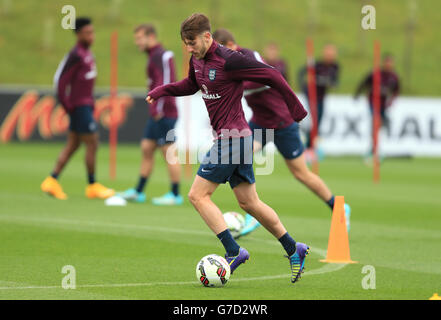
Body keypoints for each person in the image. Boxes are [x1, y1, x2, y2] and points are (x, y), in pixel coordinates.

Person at [147, 13, 310, 284]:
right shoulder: (196, 60)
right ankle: (295, 249)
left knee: (198, 196)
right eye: (185, 43)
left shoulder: (230, 60)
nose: (188, 48)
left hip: (233, 138)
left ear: (207, 37)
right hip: (238, 137)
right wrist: (163, 89)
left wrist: (296, 107)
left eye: (192, 42)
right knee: (249, 202)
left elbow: (272, 74)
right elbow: (190, 85)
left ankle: (233, 251)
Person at [212, 29, 351, 237]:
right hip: (260, 123)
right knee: (241, 155)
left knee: (301, 173)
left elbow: (262, 78)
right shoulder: (225, 63)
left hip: (282, 122)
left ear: (232, 45)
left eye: (221, 50)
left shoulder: (250, 56)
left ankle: (338, 206)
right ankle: (253, 212)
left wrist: (235, 83)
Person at [41, 17, 114, 200]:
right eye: (88, 33)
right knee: (93, 142)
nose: (92, 36)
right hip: (78, 107)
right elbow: (60, 80)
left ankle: (51, 180)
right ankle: (92, 185)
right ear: (78, 34)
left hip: (85, 106)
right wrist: (68, 106)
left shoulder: (87, 54)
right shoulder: (75, 54)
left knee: (73, 145)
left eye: (93, 32)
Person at [121, 24, 182, 205]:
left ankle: (175, 194)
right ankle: (138, 191)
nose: (137, 42)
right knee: (147, 148)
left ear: (151, 36)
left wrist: (159, 109)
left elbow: (166, 82)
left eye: (140, 38)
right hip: (156, 112)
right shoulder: (152, 57)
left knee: (168, 153)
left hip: (164, 112)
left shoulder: (163, 55)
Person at [354, 53, 400, 158]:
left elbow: (396, 91)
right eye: (387, 62)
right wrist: (357, 94)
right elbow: (363, 83)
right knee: (376, 121)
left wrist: (391, 101)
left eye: (391, 63)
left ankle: (373, 147)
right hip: (373, 102)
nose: (389, 65)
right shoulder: (376, 74)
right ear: (384, 63)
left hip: (384, 105)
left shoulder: (394, 77)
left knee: (379, 126)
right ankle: (374, 149)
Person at [298, 45, 340, 149]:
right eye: (328, 53)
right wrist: (302, 85)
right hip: (311, 94)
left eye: (332, 54)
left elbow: (335, 81)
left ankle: (310, 143)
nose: (330, 56)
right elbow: (302, 73)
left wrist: (329, 82)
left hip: (321, 96)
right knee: (315, 117)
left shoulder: (335, 66)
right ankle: (309, 144)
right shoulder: (316, 64)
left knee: (319, 118)